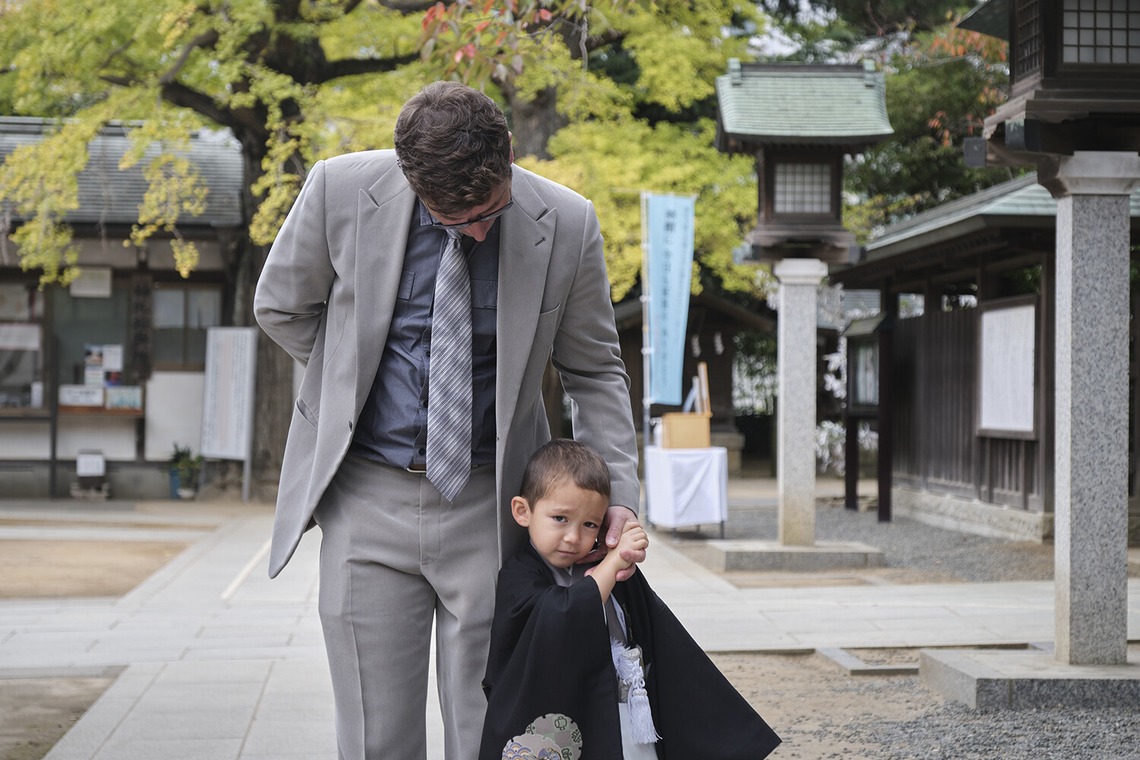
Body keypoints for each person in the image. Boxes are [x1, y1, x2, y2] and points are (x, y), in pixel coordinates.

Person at [253, 81, 643, 760]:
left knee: (495, 729)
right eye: (456, 220)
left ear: (508, 157)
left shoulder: (568, 222)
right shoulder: (337, 190)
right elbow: (281, 306)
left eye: (492, 210)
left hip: (496, 508)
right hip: (366, 496)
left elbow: (596, 371)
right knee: (377, 736)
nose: (480, 230)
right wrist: (348, 374)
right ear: (410, 179)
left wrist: (621, 503)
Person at [481, 439, 781, 760]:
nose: (572, 537)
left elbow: (660, 641)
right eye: (560, 519)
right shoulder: (520, 575)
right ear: (522, 511)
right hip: (568, 717)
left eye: (589, 524)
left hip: (625, 712)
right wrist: (610, 566)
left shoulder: (612, 569)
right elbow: (558, 615)